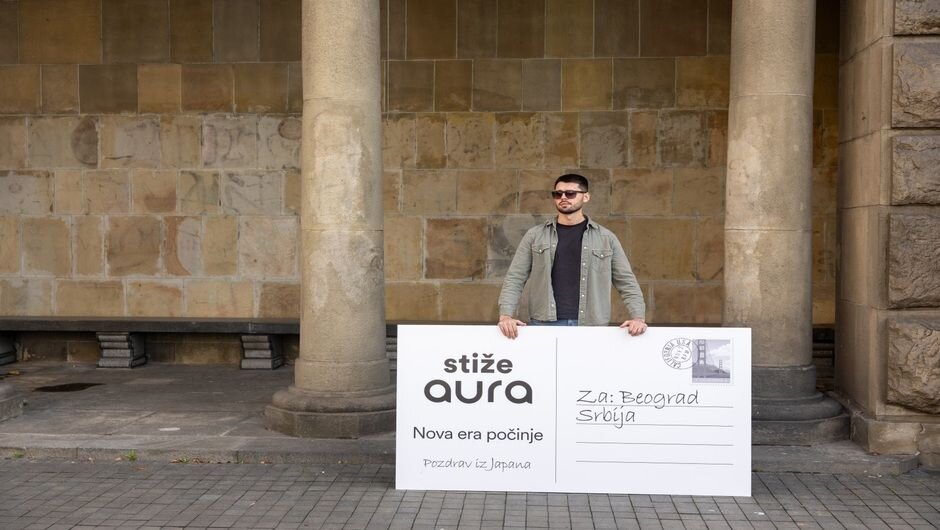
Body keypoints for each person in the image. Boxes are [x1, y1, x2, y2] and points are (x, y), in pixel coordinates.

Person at [497, 173, 647, 339]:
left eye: (570, 193)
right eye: (557, 193)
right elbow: (515, 277)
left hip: (591, 325)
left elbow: (626, 280)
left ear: (586, 197)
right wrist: (506, 315)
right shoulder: (535, 235)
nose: (563, 197)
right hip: (544, 323)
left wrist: (638, 317)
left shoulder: (606, 238)